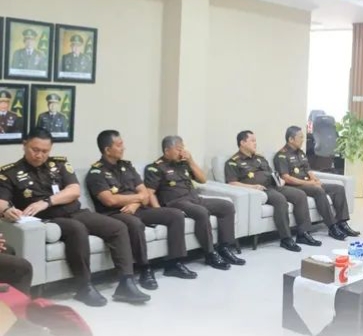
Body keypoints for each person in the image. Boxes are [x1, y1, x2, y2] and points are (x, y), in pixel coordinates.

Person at [0, 128, 149, 307]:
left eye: (45, 151)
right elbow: (2, 202)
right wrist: (6, 210)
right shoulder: (10, 173)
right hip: (48, 220)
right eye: (35, 150)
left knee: (117, 227)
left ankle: (126, 282)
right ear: (24, 145)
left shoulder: (59, 164)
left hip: (76, 212)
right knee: (77, 229)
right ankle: (84, 286)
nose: (39, 155)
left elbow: (74, 190)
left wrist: (47, 201)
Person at [86, 130, 197, 290]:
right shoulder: (96, 173)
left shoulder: (127, 166)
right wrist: (137, 198)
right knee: (135, 224)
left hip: (138, 208)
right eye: (119, 145)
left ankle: (174, 263)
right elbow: (109, 200)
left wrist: (135, 203)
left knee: (175, 215)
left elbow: (145, 194)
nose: (123, 148)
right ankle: (145, 268)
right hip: (115, 213)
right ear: (107, 150)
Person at [144, 135, 244, 270]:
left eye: (183, 148)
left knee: (227, 206)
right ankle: (210, 253)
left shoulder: (183, 163)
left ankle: (224, 248)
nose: (182, 152)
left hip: (195, 198)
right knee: (201, 212)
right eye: (178, 149)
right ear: (167, 151)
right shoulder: (155, 168)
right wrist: (159, 211)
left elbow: (202, 179)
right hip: (175, 202)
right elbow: (150, 192)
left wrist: (190, 160)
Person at [225, 130, 320, 252]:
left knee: (300, 195)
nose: (255, 143)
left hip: (274, 186)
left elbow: (271, 173)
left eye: (255, 141)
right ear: (242, 143)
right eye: (252, 141)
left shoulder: (260, 158)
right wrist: (253, 187)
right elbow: (232, 183)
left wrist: (279, 180)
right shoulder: (233, 162)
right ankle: (286, 239)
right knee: (280, 200)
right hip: (261, 191)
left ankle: (303, 233)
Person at [274, 126, 359, 241]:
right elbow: (286, 178)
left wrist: (316, 180)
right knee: (318, 190)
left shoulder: (301, 153)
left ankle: (342, 223)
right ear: (291, 139)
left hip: (308, 183)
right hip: (296, 186)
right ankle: (332, 227)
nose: (303, 140)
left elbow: (308, 170)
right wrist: (310, 184)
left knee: (338, 188)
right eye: (300, 137)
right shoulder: (281, 155)